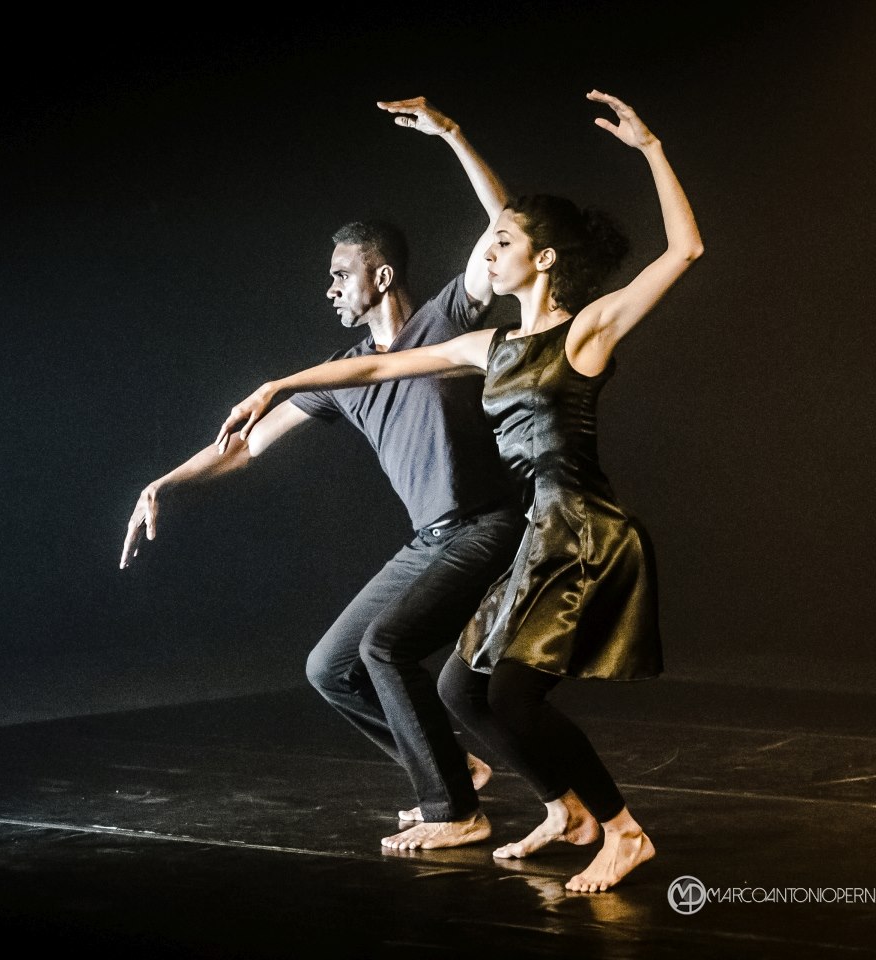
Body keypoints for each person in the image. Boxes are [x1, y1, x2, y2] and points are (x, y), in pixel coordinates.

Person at [216, 90, 703, 892]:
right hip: (534, 536)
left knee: (510, 695)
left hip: (582, 534)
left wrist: (651, 147)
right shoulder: (489, 344)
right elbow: (371, 366)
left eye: (503, 238)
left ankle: (621, 830)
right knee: (457, 687)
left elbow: (683, 251)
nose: (490, 245)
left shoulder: (586, 330)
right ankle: (567, 811)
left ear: (540, 259)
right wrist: (280, 382)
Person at [120, 107, 530, 849]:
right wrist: (164, 483)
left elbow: (504, 225)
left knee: (387, 650)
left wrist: (454, 137)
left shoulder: (446, 318)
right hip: (429, 539)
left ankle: (453, 813)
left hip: (487, 523)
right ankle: (455, 771)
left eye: (341, 274)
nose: (331, 288)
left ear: (381, 273)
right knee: (329, 667)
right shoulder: (340, 374)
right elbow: (246, 446)